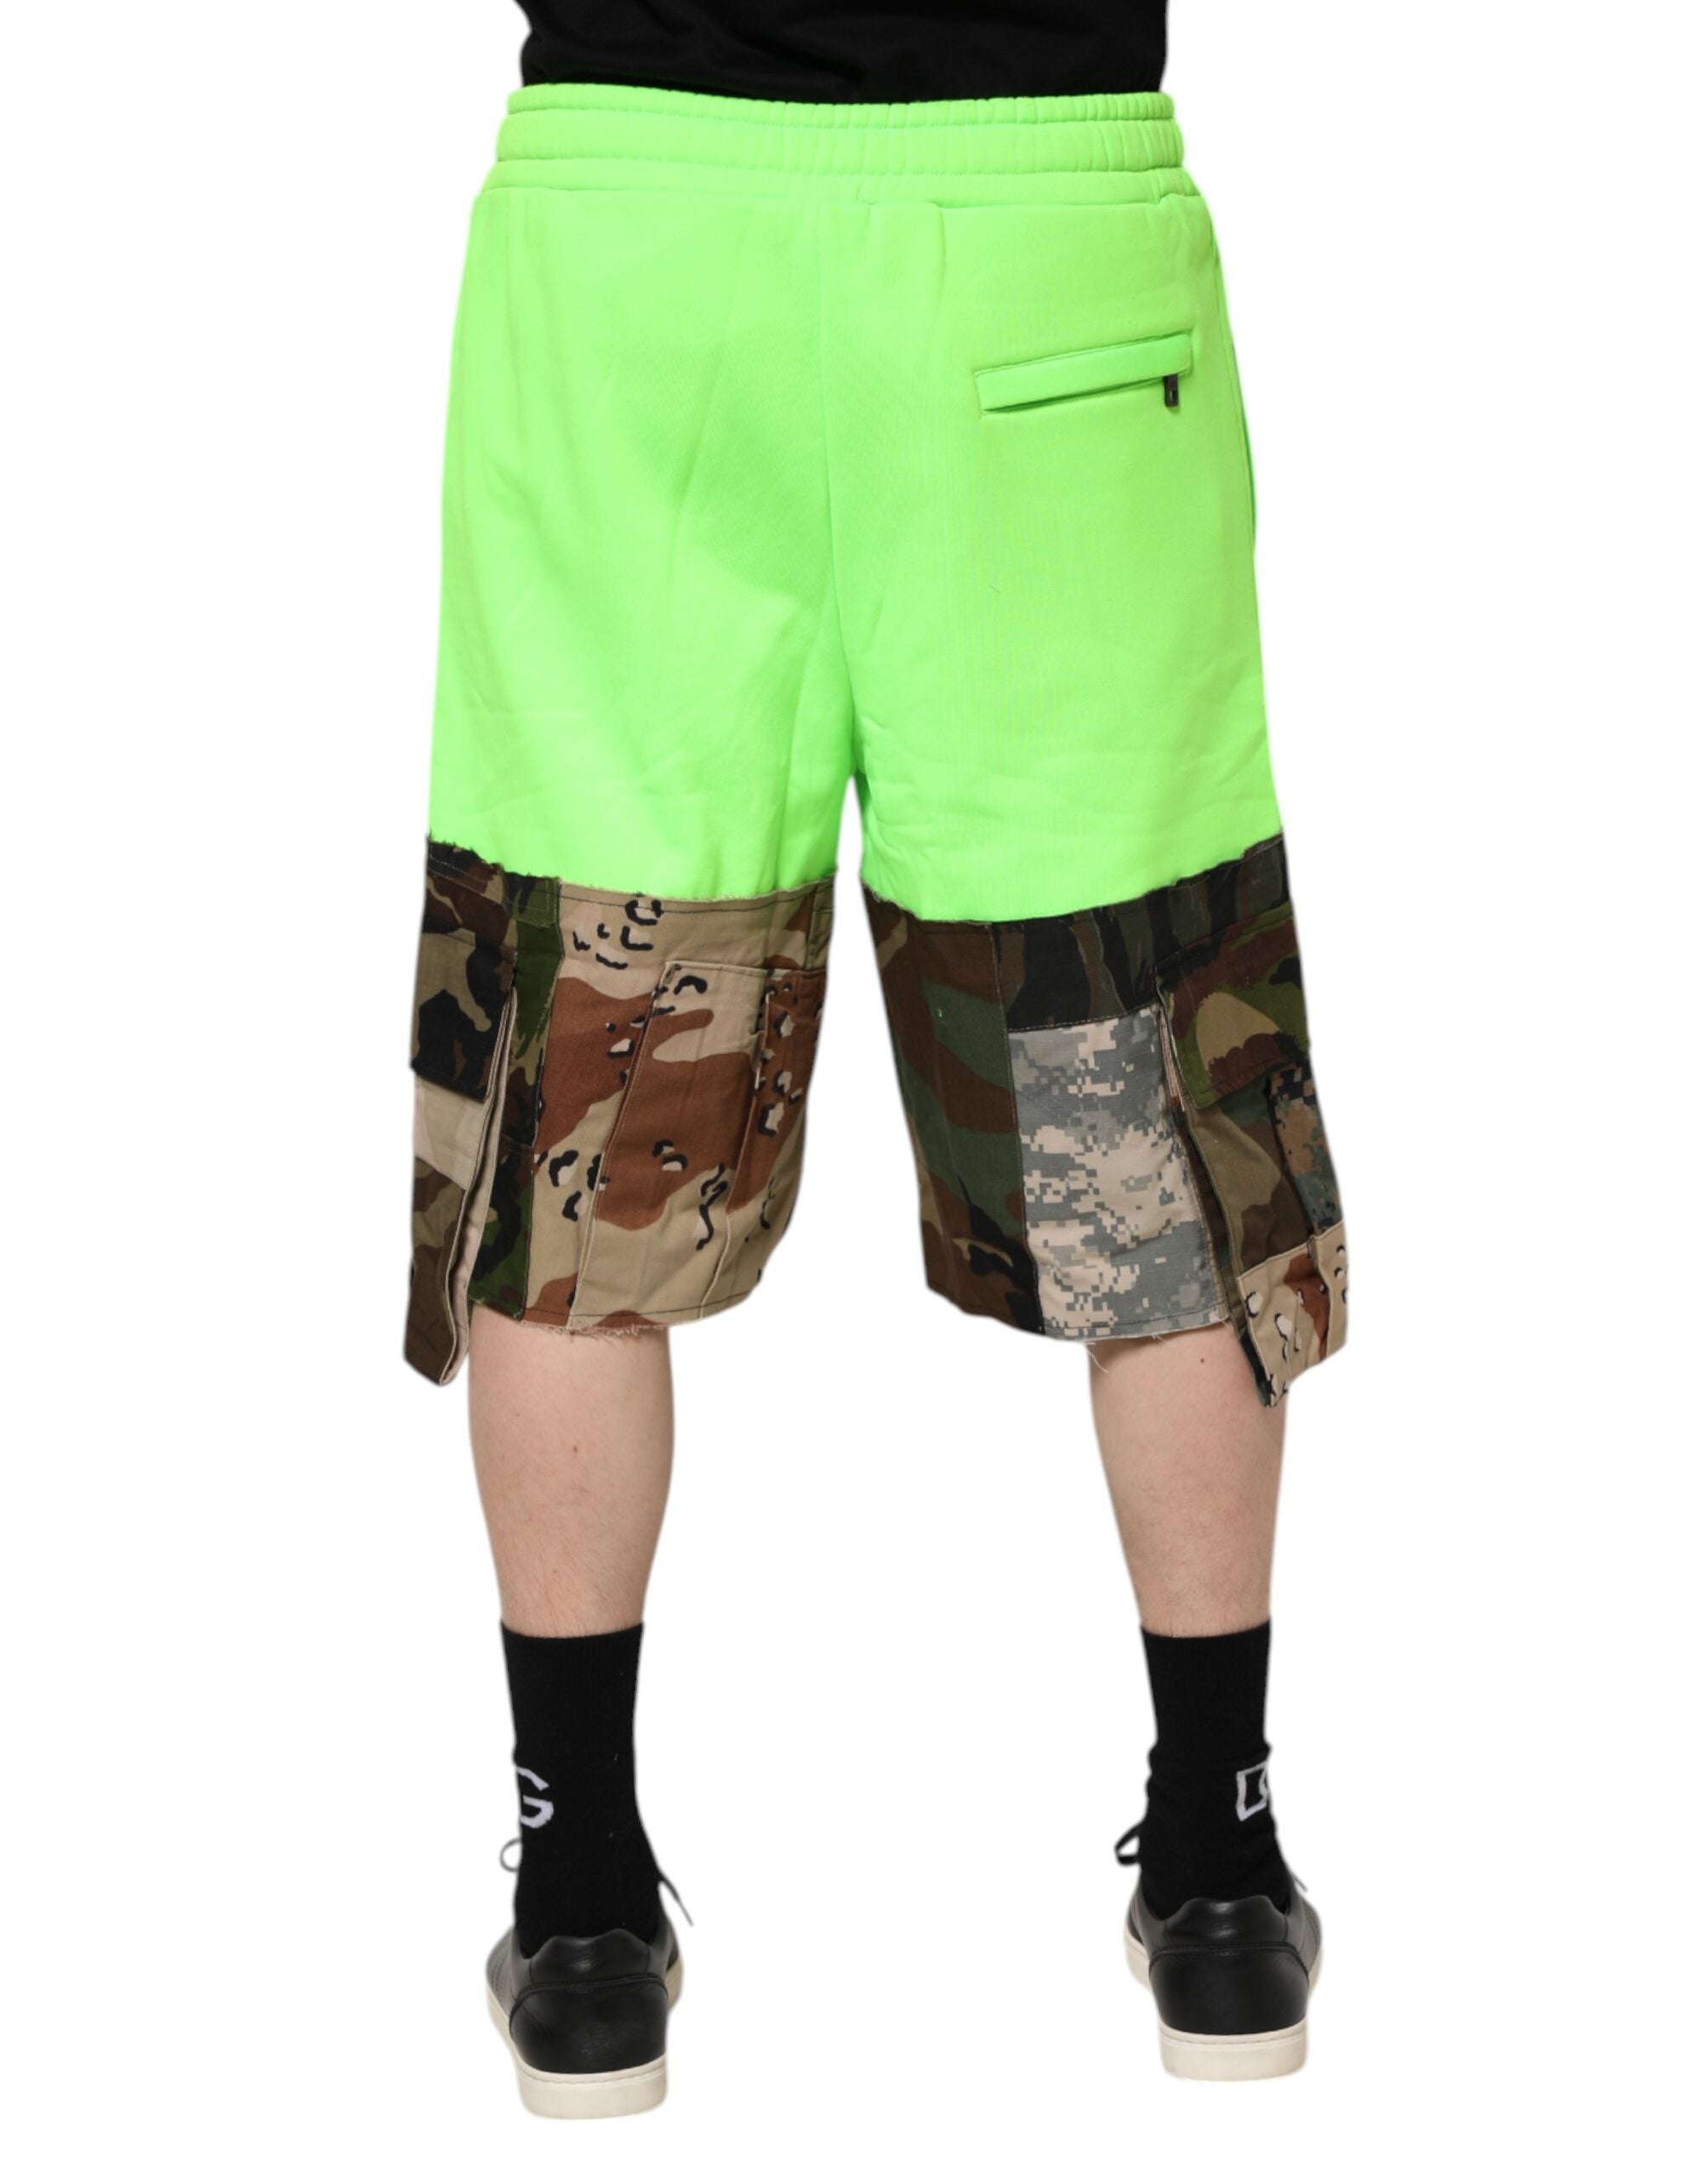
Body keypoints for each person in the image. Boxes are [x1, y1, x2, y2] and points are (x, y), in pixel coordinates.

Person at [405, 0, 1346, 2114]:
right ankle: (1216, 1871)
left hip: (632, 249)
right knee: (1145, 1060)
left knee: (582, 1083)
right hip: (1043, 245)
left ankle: (580, 1907)